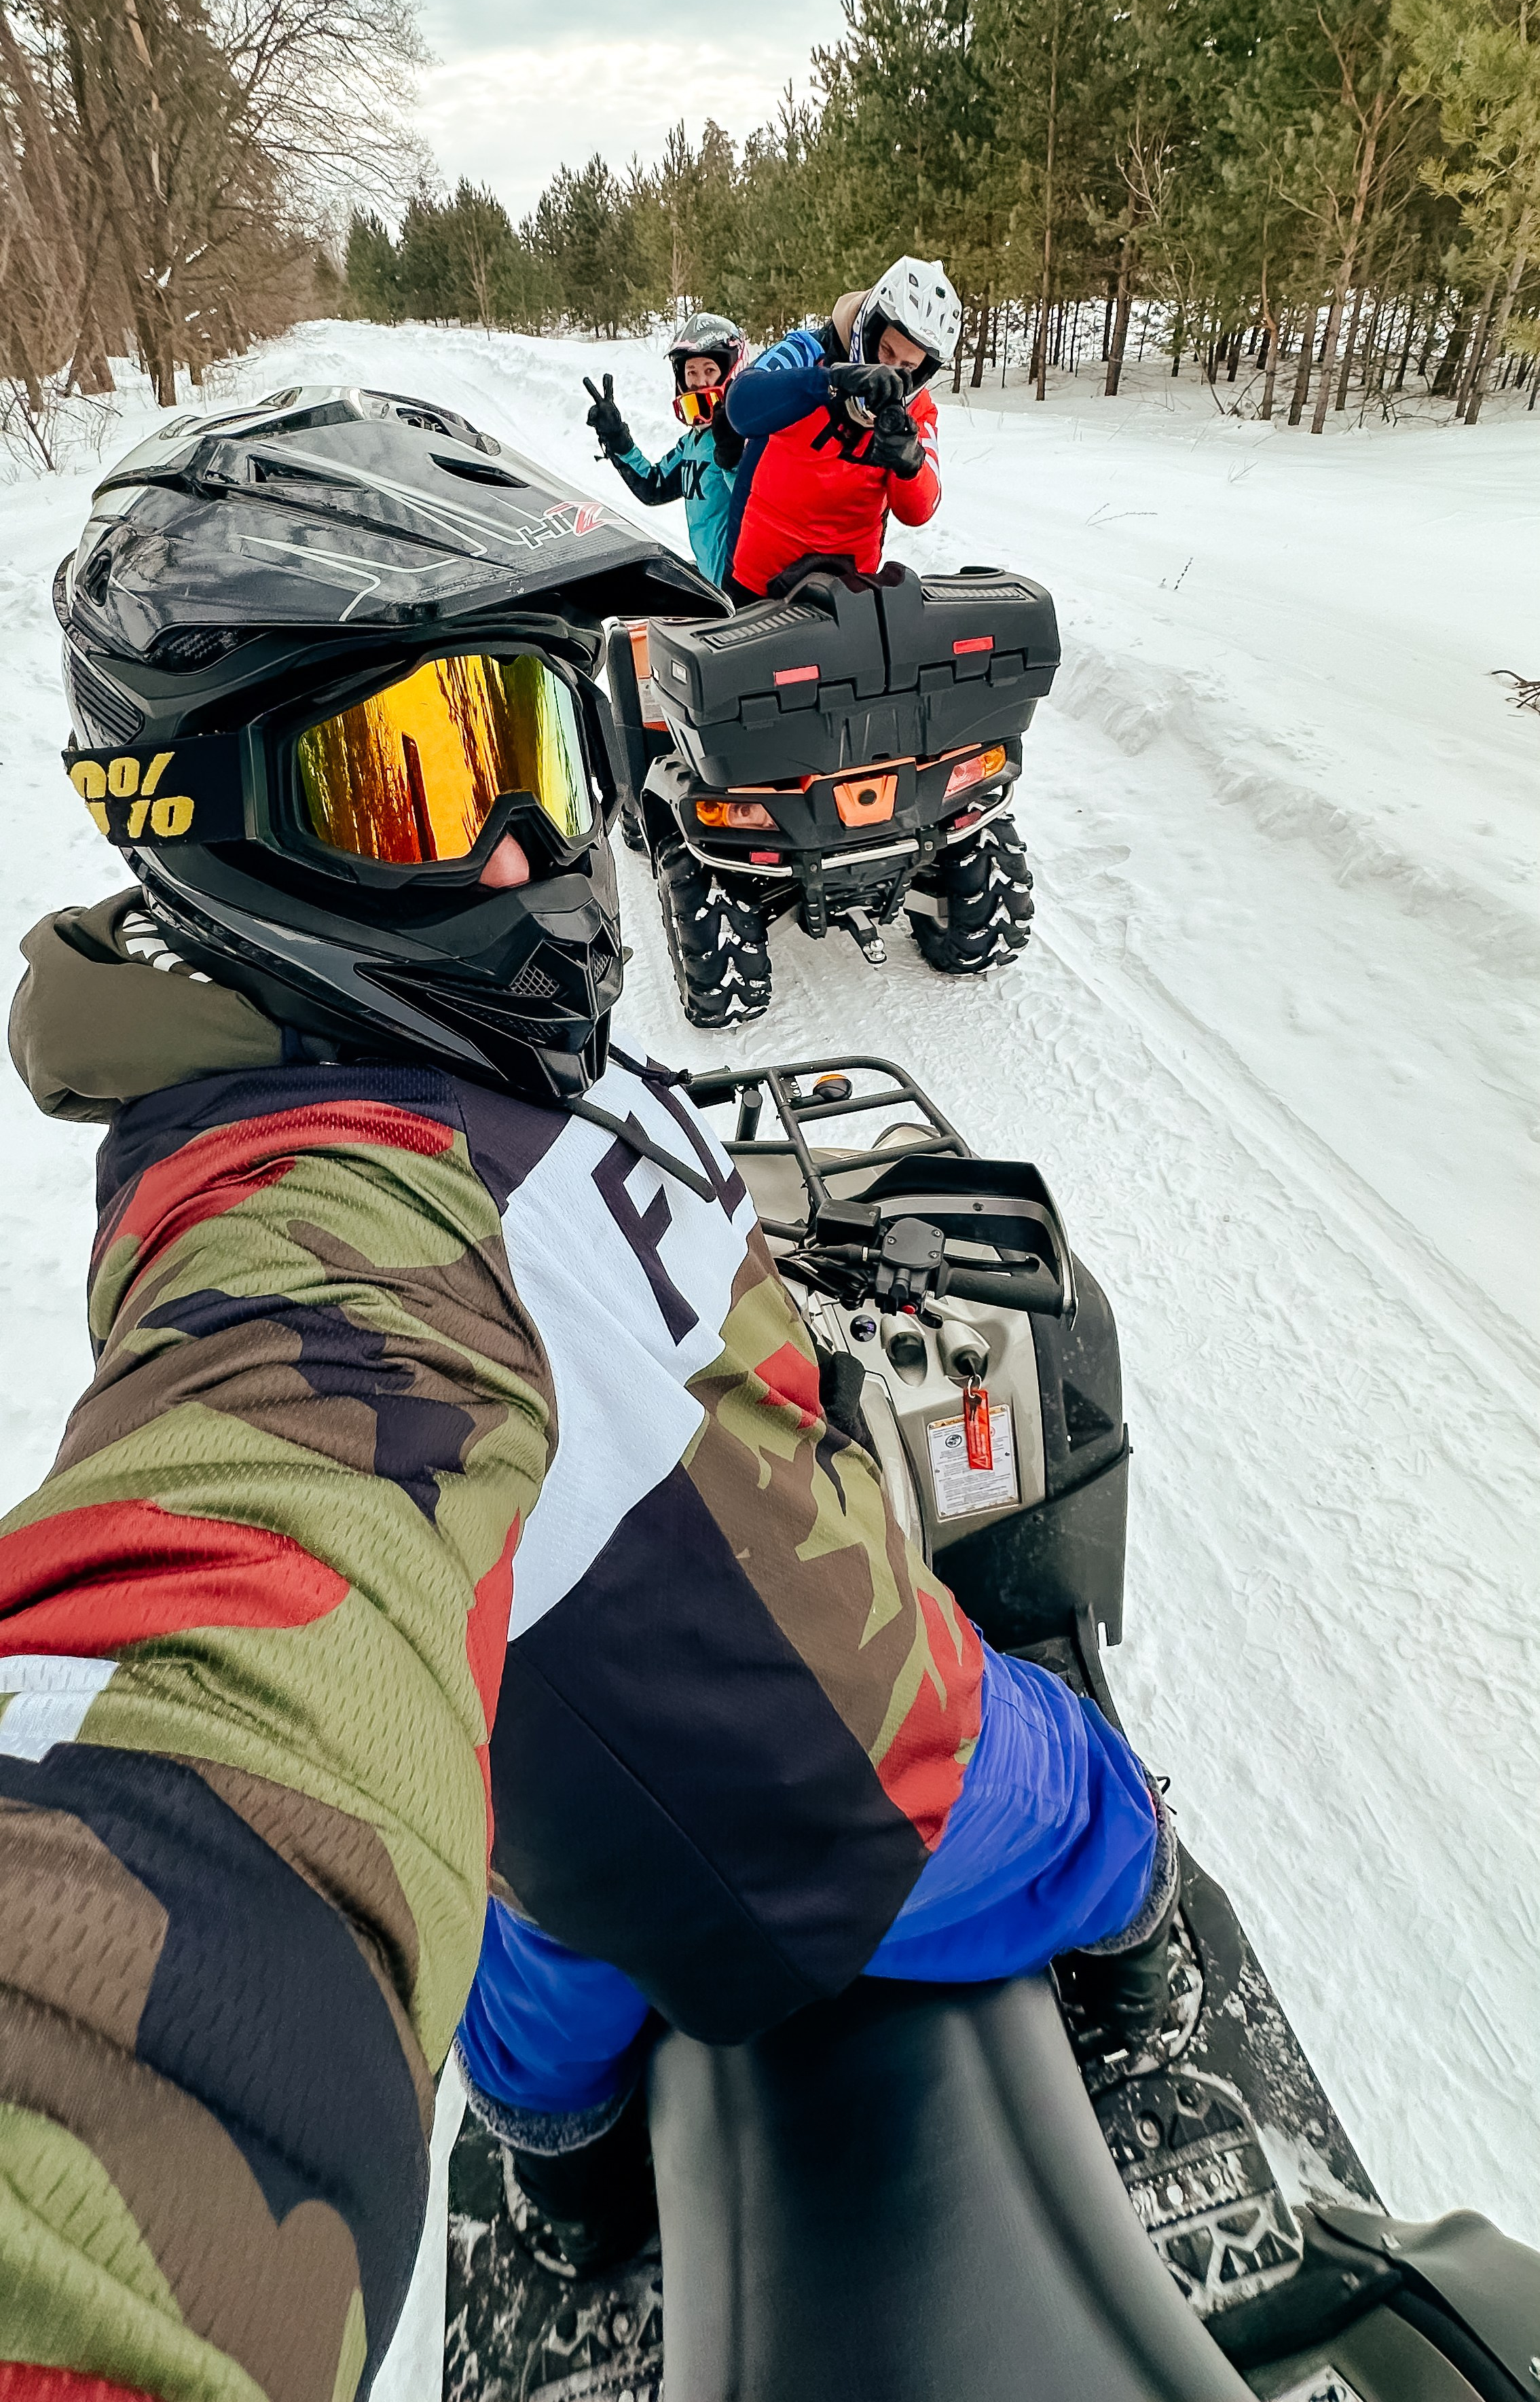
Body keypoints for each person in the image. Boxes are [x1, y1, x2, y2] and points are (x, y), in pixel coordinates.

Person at [0, 388, 1175, 2398]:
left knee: (543, 1977)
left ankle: (554, 2165)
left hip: (554, 1803)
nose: (525, 843)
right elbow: (230, 1594)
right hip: (836, 1773)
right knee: (1096, 1803)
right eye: (405, 785)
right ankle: (1156, 2010)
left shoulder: (333, 1055)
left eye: (529, 743)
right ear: (201, 821)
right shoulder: (328, 1214)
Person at [722, 256, 960, 597]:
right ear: (870, 326)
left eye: (908, 365)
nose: (891, 369)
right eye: (886, 351)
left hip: (848, 590)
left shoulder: (918, 408)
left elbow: (919, 510)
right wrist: (830, 382)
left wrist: (909, 462)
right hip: (756, 577)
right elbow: (741, 405)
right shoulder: (807, 350)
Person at [583, 312, 746, 590]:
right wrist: (616, 437)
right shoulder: (692, 442)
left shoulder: (747, 437)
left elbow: (755, 506)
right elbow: (653, 486)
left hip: (743, 589)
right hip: (715, 587)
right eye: (691, 372)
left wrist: (733, 458)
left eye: (709, 370)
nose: (698, 381)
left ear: (729, 373)